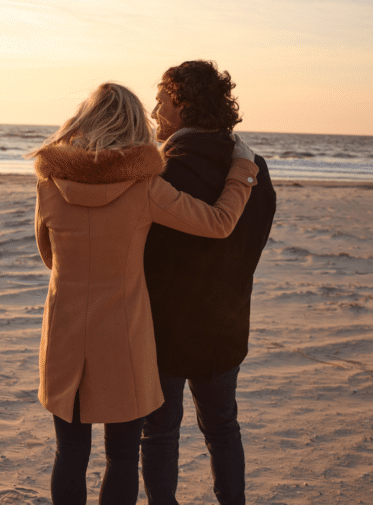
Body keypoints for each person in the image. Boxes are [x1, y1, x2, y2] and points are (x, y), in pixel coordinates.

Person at [27, 82, 260, 505]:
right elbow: (219, 222)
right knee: (121, 456)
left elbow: (49, 256)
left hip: (64, 338)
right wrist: (242, 169)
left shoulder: (49, 183)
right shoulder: (145, 187)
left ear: (84, 121)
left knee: (70, 453)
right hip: (124, 340)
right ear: (134, 125)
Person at [140, 61, 277, 505]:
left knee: (159, 432)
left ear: (181, 104)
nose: (156, 110)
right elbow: (251, 245)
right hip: (226, 322)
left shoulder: (164, 172)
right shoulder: (255, 168)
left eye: (161, 101)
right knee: (223, 428)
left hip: (165, 328)